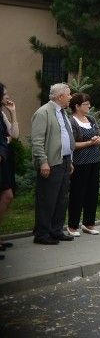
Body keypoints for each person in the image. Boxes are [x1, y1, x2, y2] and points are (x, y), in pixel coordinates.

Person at [30, 83, 76, 244]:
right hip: (51, 162)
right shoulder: (43, 113)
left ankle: (56, 230)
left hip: (64, 161)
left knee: (61, 198)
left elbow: (65, 137)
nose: (71, 97)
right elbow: (37, 141)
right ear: (60, 96)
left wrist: (69, 160)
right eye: (69, 94)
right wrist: (43, 162)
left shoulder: (62, 112)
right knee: (47, 199)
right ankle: (42, 234)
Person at [66, 93, 100, 236]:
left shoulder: (91, 119)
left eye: (89, 104)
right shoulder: (72, 121)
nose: (89, 106)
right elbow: (72, 144)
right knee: (78, 193)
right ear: (76, 106)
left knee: (92, 193)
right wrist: (89, 142)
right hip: (80, 162)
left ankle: (89, 223)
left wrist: (98, 139)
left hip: (94, 161)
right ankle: (72, 225)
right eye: (86, 104)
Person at [0, 82, 19, 257]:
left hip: (5, 160)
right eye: (5, 94)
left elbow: (14, 135)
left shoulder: (1, 113)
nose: (7, 96)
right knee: (7, 195)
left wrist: (12, 113)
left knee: (7, 196)